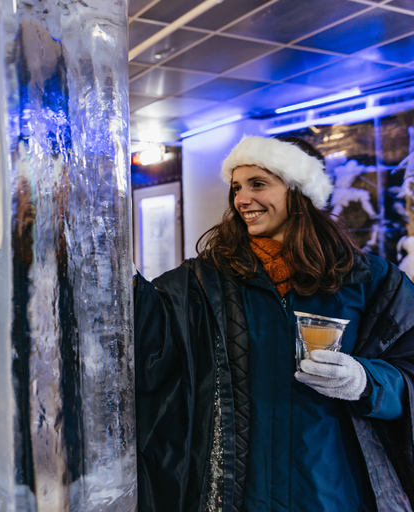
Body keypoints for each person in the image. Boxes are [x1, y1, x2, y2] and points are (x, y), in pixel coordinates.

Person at [134, 136, 414, 511]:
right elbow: (150, 336)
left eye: (258, 184)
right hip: (241, 495)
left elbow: (408, 370)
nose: (241, 200)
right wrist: (111, 267)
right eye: (236, 187)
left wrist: (365, 381)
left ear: (298, 191)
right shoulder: (206, 281)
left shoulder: (367, 280)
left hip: (332, 492)